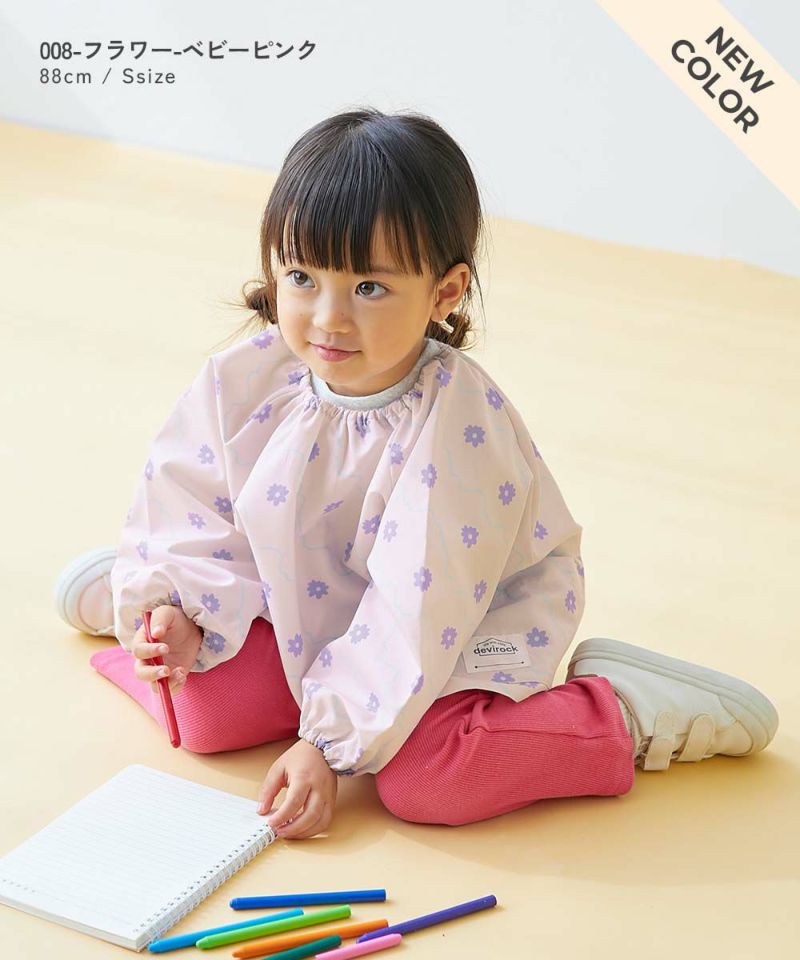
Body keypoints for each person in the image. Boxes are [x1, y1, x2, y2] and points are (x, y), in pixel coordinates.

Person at [54, 107, 779, 840]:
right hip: (303, 601)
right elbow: (191, 497)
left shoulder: (455, 426)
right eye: (302, 276)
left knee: (429, 780)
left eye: (369, 288)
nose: (328, 318)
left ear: (445, 291)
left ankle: (620, 710)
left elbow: (417, 605)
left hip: (455, 620)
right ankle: (135, 604)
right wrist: (177, 609)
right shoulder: (248, 378)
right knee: (207, 713)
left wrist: (326, 746)